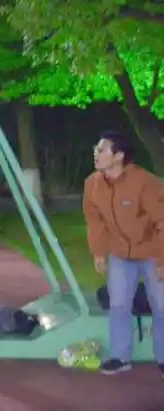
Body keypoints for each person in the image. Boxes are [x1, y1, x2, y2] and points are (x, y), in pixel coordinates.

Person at [82, 131, 164, 375]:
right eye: (96, 149)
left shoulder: (146, 182)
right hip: (120, 255)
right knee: (118, 305)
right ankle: (120, 357)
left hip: (152, 252)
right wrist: (99, 252)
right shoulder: (92, 184)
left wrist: (162, 258)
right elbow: (95, 222)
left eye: (101, 150)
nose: (96, 153)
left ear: (119, 156)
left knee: (161, 306)